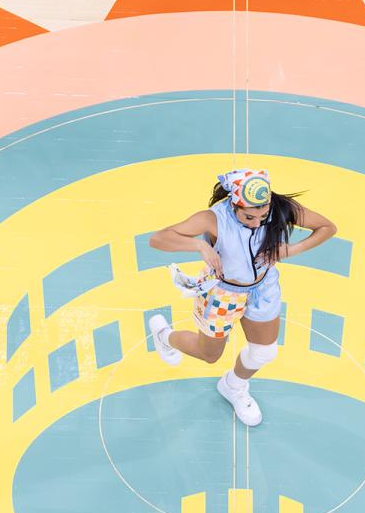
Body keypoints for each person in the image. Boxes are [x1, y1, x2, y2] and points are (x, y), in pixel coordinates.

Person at [144, 168, 336, 426]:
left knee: (264, 352)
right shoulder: (213, 219)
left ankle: (233, 386)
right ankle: (164, 336)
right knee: (209, 355)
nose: (257, 223)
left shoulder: (281, 208)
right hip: (222, 293)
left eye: (263, 216)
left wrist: (291, 250)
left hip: (263, 288)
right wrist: (200, 245)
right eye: (249, 217)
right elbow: (158, 239)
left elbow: (327, 227)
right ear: (234, 205)